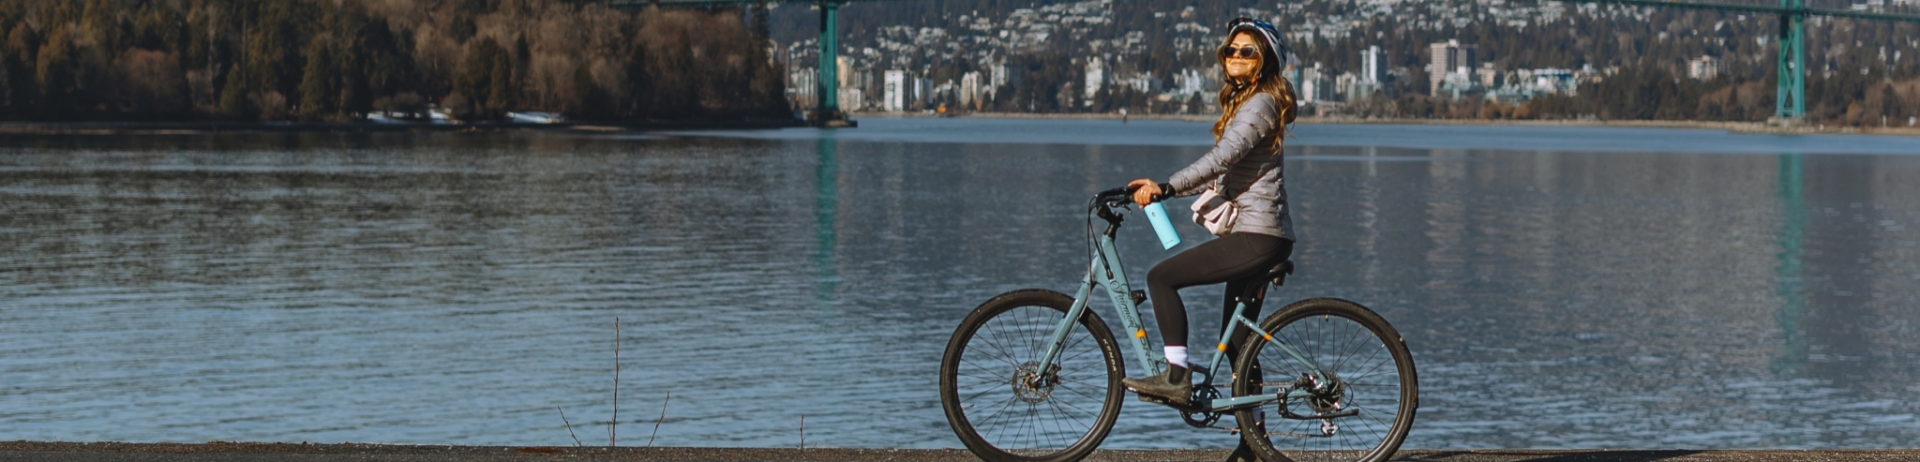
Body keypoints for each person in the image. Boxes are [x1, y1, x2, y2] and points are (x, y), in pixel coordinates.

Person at [1122, 17, 1297, 411]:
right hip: (1262, 234)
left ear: (1264, 60)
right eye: (1231, 50)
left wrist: (1166, 188)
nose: (1235, 55)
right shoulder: (1252, 103)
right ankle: (1255, 443)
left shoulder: (1262, 104)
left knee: (1161, 278)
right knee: (1238, 345)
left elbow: (1222, 159)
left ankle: (1176, 377)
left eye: (1247, 51)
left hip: (1259, 236)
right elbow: (1227, 173)